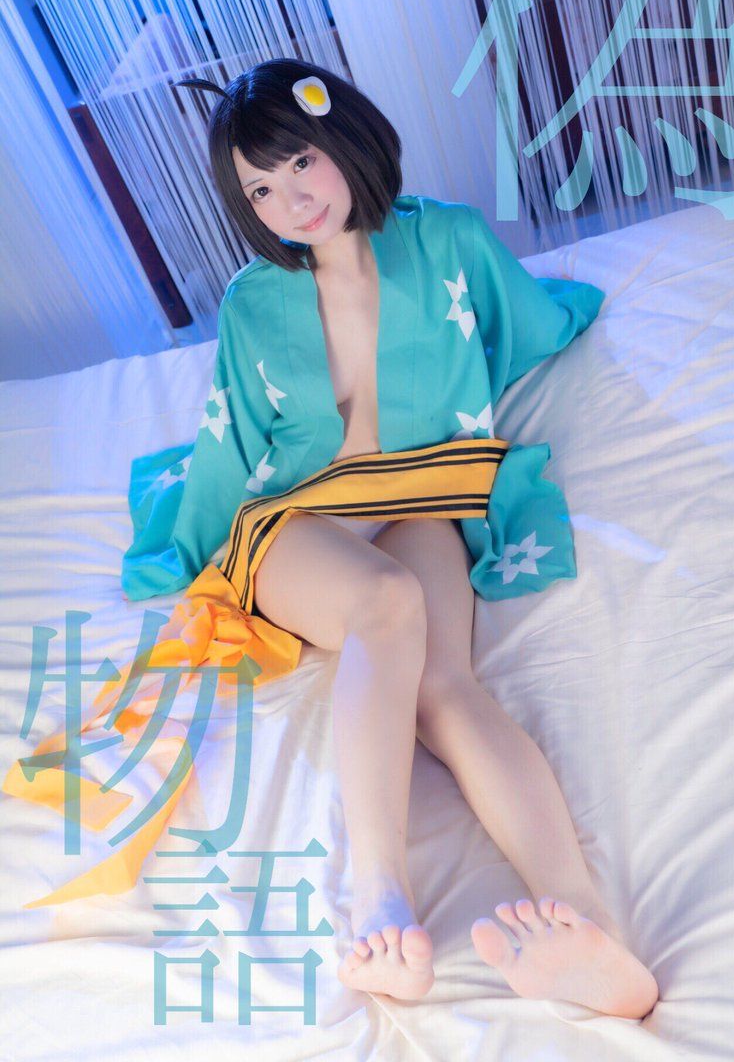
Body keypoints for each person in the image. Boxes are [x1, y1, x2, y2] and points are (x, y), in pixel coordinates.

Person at [130, 58, 659, 1016]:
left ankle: (585, 924)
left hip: (421, 493)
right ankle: (380, 896)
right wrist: (190, 552)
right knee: (385, 603)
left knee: (446, 686)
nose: (292, 201)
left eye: (301, 163)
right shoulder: (253, 301)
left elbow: (527, 321)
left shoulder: (449, 237)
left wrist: (570, 314)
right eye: (261, 188)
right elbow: (230, 439)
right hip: (300, 518)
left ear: (344, 139)